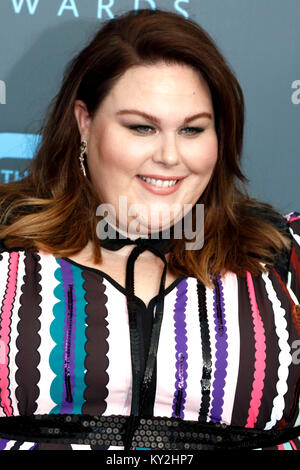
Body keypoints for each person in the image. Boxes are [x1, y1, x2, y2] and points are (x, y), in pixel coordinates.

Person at [0, 8, 299, 451]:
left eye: (192, 130)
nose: (170, 156)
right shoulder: (8, 249)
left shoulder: (277, 254)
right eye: (142, 127)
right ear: (85, 123)